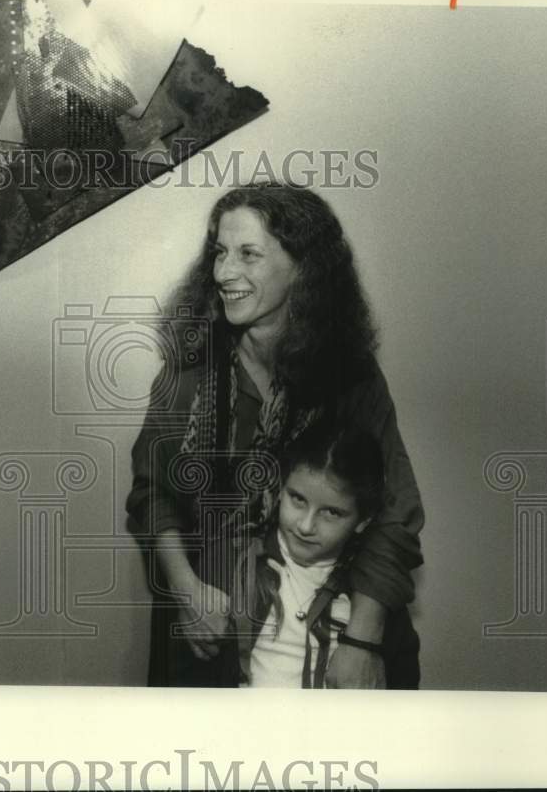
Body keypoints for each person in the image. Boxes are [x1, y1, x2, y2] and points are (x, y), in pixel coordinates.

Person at [126, 181, 423, 688]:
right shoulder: (188, 373)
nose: (224, 272)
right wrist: (186, 590)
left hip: (336, 629)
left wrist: (362, 640)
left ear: (303, 268)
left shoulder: (352, 378)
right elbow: (153, 495)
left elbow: (393, 513)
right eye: (219, 253)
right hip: (212, 636)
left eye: (249, 255)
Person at [231, 417, 420, 688]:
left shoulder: (377, 603)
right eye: (297, 498)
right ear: (280, 490)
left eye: (331, 512)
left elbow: (405, 698)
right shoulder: (238, 565)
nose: (306, 526)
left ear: (363, 521)